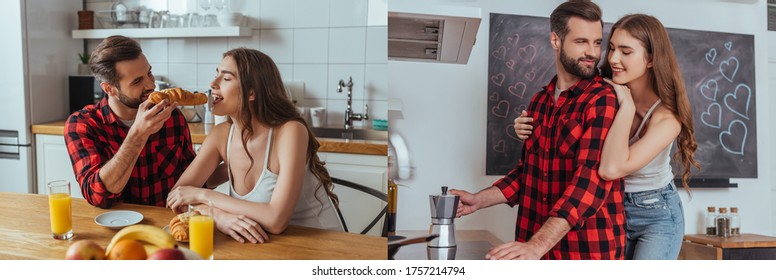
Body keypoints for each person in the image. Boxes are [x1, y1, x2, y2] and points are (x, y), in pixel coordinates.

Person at [514, 13, 699, 260]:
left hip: (655, 216)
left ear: (651, 59)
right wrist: (527, 127)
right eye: (611, 48)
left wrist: (628, 108)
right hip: (612, 209)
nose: (613, 59)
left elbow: (611, 169)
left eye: (625, 51)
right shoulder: (603, 91)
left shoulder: (667, 119)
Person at [450, 0, 624, 260]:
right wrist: (479, 200)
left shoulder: (602, 99)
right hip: (533, 247)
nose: (592, 52)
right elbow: (530, 172)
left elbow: (590, 181)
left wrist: (537, 245)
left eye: (597, 42)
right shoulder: (540, 101)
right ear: (556, 40)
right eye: (581, 42)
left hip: (585, 251)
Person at [166, 48, 343, 244]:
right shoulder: (220, 135)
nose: (212, 84)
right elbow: (178, 196)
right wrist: (217, 216)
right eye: (216, 74)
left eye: (226, 78)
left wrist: (203, 195)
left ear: (251, 92)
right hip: (266, 247)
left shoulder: (290, 131)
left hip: (322, 246)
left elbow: (276, 220)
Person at [65, 35, 196, 209]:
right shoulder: (82, 125)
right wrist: (138, 135)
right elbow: (98, 196)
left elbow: (193, 180)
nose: (151, 85)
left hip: (164, 228)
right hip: (113, 229)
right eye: (137, 81)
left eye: (149, 72)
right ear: (109, 89)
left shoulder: (172, 117)